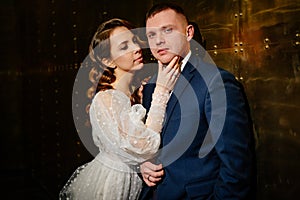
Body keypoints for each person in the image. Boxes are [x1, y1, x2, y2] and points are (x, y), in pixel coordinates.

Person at [139, 2, 256, 200]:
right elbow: (149, 143)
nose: (158, 41)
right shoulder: (151, 87)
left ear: (189, 33)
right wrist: (143, 164)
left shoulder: (215, 82)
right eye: (152, 35)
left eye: (167, 30)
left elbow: (237, 167)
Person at [59, 18, 181, 200]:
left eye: (133, 40)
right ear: (108, 60)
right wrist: (161, 92)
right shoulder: (106, 99)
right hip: (112, 187)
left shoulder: (136, 93)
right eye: (124, 46)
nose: (136, 48)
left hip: (135, 182)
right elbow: (146, 146)